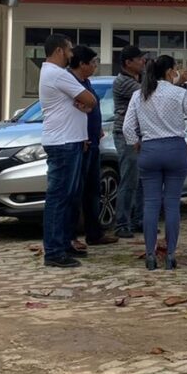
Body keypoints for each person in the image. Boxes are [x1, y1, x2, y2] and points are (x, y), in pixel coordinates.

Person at [123, 54, 187, 271]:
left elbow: (127, 128)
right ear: (170, 71)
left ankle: (150, 254)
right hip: (176, 149)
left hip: (150, 149)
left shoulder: (139, 94)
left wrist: (137, 144)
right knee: (172, 203)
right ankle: (170, 254)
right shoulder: (179, 93)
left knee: (150, 203)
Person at [39, 34, 98, 268]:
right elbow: (90, 99)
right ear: (60, 51)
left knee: (67, 197)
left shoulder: (52, 74)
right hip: (63, 142)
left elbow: (86, 102)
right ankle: (54, 250)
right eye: (69, 50)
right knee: (59, 198)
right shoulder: (58, 74)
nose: (72, 54)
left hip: (69, 140)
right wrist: (87, 104)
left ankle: (62, 244)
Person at [70, 45, 117, 247]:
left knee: (92, 190)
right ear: (82, 64)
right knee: (75, 192)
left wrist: (96, 128)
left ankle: (94, 232)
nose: (96, 66)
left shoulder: (86, 82)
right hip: (80, 144)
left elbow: (90, 108)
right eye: (93, 62)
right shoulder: (70, 83)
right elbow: (76, 110)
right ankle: (70, 235)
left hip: (93, 142)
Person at [112, 45, 147, 238]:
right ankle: (122, 223)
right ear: (128, 62)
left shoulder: (137, 79)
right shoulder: (124, 82)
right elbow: (148, 95)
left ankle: (138, 220)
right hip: (126, 135)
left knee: (141, 180)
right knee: (129, 179)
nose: (143, 62)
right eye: (139, 59)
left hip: (140, 134)